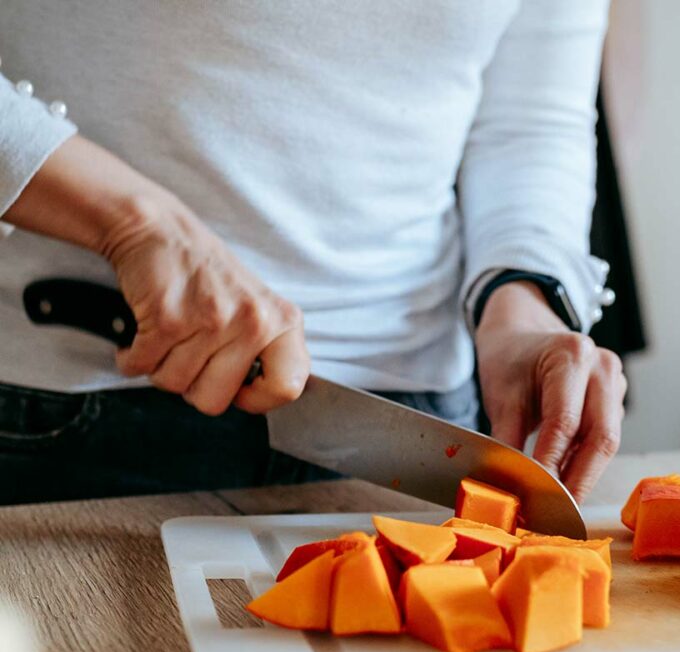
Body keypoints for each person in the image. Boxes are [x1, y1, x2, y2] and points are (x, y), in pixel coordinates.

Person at [0, 1, 626, 506]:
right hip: (74, 410)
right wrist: (132, 222)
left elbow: (530, 127)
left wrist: (521, 311)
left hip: (413, 431)